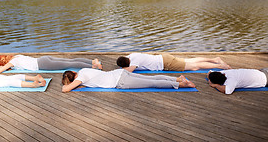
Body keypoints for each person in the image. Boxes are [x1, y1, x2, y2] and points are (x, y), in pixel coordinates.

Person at [61, 68, 195, 93]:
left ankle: (182, 85)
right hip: (120, 72)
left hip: (120, 81)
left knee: (152, 83)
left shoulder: (80, 79)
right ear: (74, 72)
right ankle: (177, 78)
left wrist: (68, 85)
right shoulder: (83, 70)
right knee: (151, 78)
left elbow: (65, 89)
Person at [116, 53, 231, 72]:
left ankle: (220, 65)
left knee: (194, 67)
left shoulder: (134, 62)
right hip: (164, 57)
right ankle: (215, 60)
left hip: (167, 64)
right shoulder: (132, 55)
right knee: (190, 60)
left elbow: (128, 71)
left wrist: (121, 69)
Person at [0, 54, 102, 74]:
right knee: (70, 61)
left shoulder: (12, 63)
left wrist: (0, 67)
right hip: (43, 59)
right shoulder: (17, 56)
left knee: (69, 65)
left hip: (43, 64)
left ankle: (94, 67)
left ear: (4, 62)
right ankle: (93, 61)